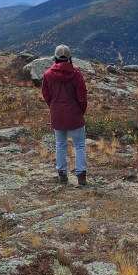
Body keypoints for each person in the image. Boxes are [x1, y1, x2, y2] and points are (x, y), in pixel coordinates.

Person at [41, 44, 88, 186]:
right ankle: (81, 176)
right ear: (69, 58)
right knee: (79, 145)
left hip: (57, 114)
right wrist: (81, 111)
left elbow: (46, 94)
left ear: (55, 57)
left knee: (60, 145)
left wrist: (53, 106)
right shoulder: (77, 74)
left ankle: (62, 174)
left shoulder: (48, 74)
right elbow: (82, 97)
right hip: (75, 114)